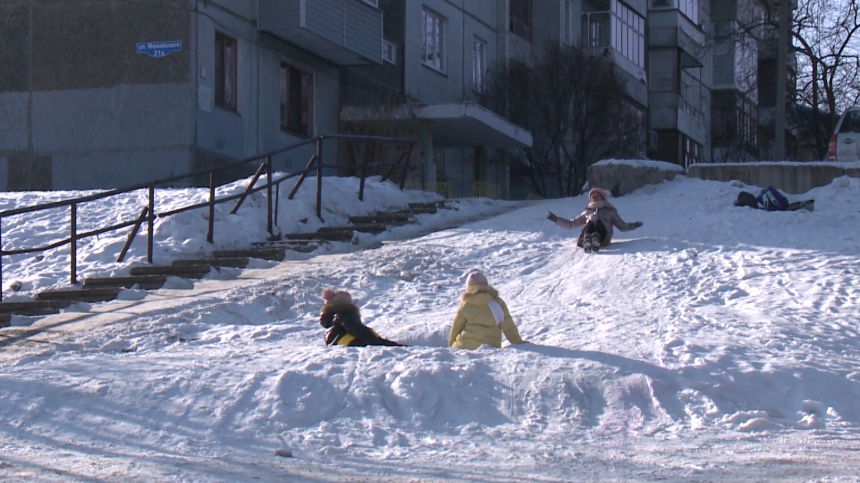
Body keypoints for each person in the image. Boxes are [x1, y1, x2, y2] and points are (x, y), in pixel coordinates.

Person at [546, 187, 643, 252]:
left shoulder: (609, 211)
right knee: (591, 222)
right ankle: (587, 239)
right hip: (588, 232)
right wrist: (556, 219)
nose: (594, 198)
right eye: (592, 197)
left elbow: (621, 226)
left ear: (602, 197)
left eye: (596, 196)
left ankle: (596, 238)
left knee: (599, 222)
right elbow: (572, 224)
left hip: (603, 237)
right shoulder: (587, 212)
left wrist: (632, 225)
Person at [448, 271, 524, 350]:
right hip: (490, 347)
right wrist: (517, 341)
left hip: (463, 346)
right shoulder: (497, 303)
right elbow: (508, 326)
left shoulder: (465, 305)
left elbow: (456, 327)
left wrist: (451, 346)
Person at [319, 288, 402, 346]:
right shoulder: (345, 312)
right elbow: (357, 329)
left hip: (339, 343)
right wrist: (377, 342)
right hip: (350, 343)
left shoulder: (331, 319)